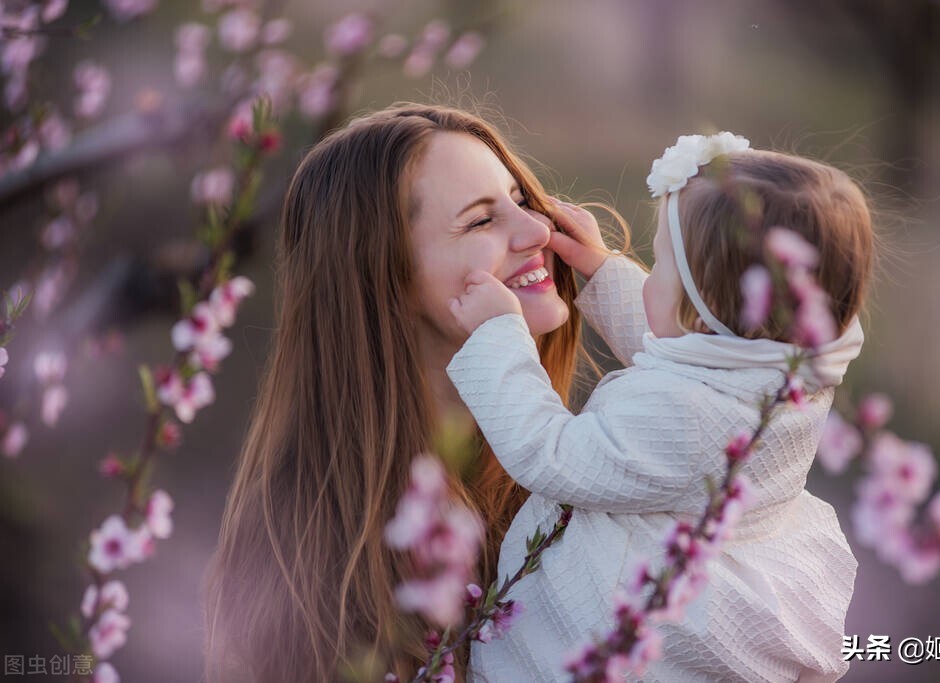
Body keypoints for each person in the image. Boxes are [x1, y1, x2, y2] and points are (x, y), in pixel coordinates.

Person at [202, 103, 629, 681]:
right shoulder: (308, 557)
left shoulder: (571, 478)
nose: (537, 230)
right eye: (480, 221)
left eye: (521, 200)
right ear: (385, 276)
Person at [448, 134, 874, 681]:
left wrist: (495, 336)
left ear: (704, 307)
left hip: (624, 625)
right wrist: (598, 267)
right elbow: (678, 352)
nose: (648, 276)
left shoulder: (694, 417)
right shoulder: (774, 368)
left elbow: (550, 454)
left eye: (664, 266)